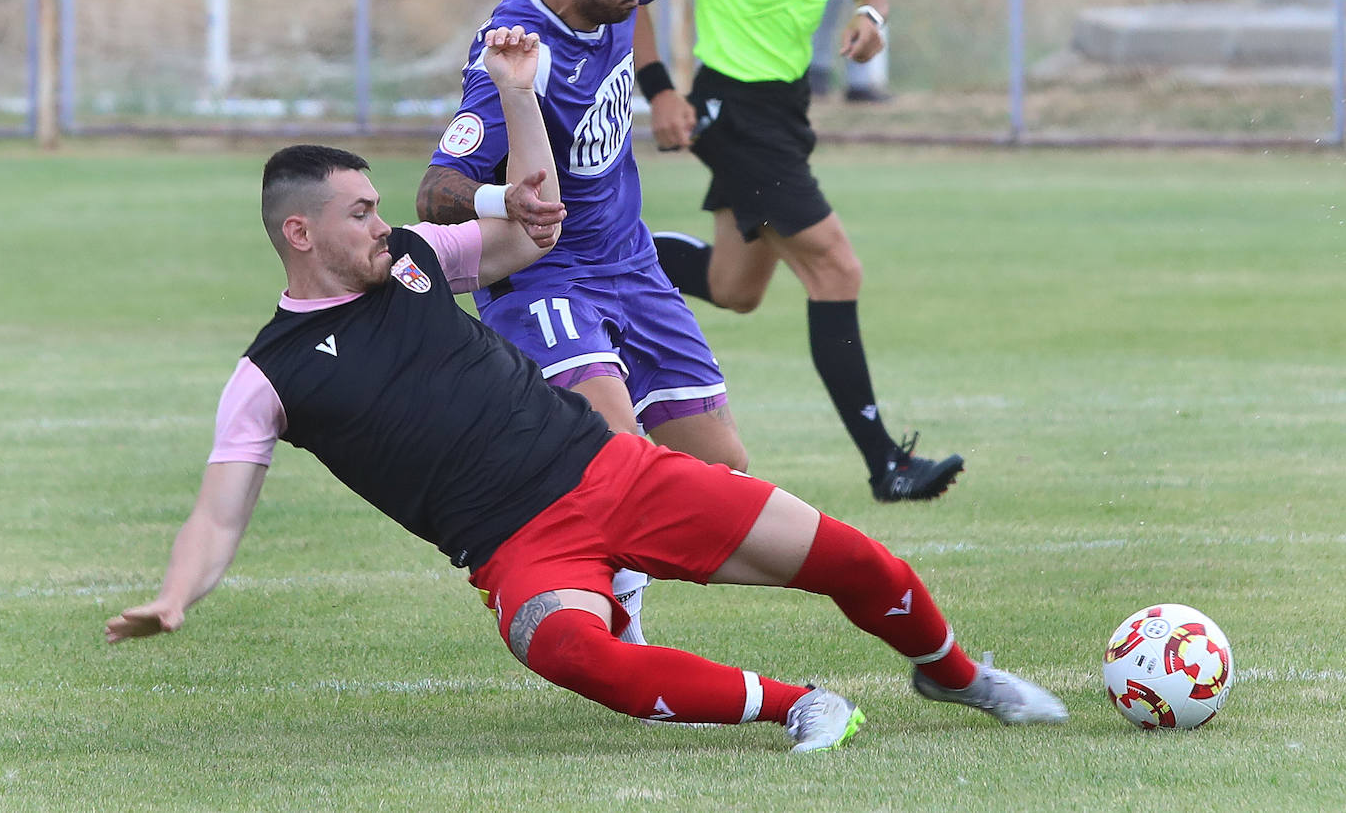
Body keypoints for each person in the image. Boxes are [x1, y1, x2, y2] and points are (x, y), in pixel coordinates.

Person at [104, 72, 1069, 751]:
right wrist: (177, 596)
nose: (378, 219)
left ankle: (953, 673)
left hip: (611, 471)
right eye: (357, 210)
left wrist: (523, 108)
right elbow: (217, 513)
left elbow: (525, 243)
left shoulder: (414, 256)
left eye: (376, 206)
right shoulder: (267, 374)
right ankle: (800, 708)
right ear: (299, 229)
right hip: (516, 549)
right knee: (565, 647)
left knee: (849, 557)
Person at [416, 0, 848, 642]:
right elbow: (436, 189)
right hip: (547, 281)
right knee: (620, 458)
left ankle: (567, 514)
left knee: (722, 471)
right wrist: (498, 200)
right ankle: (617, 611)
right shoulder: (515, 50)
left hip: (631, 264)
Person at [637, 0, 963, 504]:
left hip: (786, 107)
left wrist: (874, 16)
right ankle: (886, 462)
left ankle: (604, 251)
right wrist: (660, 90)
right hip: (727, 107)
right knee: (835, 266)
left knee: (734, 287)